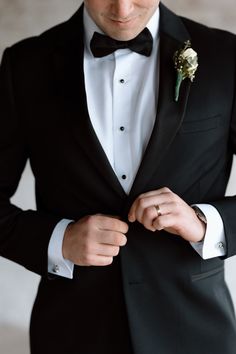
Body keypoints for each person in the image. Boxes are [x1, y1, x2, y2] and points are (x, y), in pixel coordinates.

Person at [0, 0, 236, 353]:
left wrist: (205, 224)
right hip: (70, 333)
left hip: (195, 331)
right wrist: (57, 242)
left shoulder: (227, 56)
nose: (122, 8)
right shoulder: (24, 64)